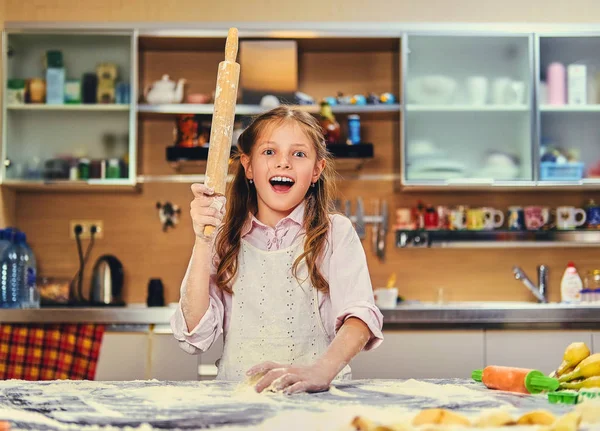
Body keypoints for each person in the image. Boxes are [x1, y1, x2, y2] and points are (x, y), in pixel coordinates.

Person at [171, 106, 383, 394]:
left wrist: (321, 371)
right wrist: (203, 240)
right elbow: (194, 337)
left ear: (316, 170)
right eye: (269, 152)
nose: (283, 163)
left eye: (298, 154)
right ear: (248, 166)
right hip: (239, 401)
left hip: (317, 404)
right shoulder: (222, 239)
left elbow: (360, 317)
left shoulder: (335, 234)